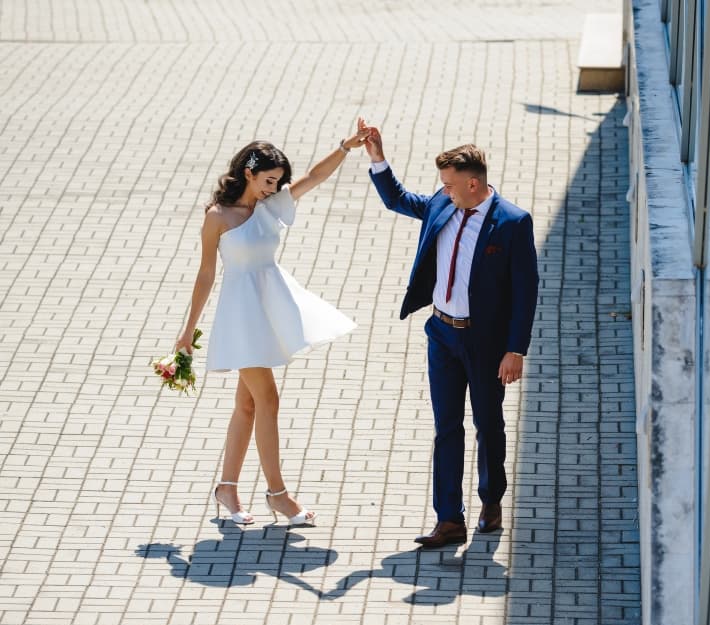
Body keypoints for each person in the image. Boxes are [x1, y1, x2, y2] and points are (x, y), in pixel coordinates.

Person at [173, 127, 368, 528]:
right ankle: (278, 494)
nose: (273, 187)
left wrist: (345, 146)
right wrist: (187, 331)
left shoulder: (270, 206)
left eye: (277, 181)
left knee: (247, 404)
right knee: (269, 400)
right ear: (248, 173)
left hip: (268, 309)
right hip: (240, 318)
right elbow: (206, 273)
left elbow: (313, 177)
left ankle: (227, 488)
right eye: (268, 180)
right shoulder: (218, 218)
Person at [360, 121, 538, 548]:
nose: (444, 190)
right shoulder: (443, 203)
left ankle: (491, 499)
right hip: (441, 333)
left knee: (488, 424)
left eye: (451, 183)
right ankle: (449, 519)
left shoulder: (512, 222)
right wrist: (378, 158)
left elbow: (526, 290)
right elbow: (398, 200)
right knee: (446, 427)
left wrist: (515, 350)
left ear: (474, 184)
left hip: (485, 342)